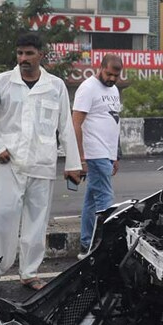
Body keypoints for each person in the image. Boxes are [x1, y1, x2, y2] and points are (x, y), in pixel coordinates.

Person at [0, 34, 83, 291]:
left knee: (36, 222)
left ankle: (29, 272)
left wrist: (72, 164)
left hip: (42, 163)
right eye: (20, 53)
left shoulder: (55, 86)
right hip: (8, 163)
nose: (23, 58)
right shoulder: (1, 82)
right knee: (1, 214)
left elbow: (65, 125)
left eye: (29, 53)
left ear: (40, 55)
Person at [72, 54, 123, 258]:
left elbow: (113, 121)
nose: (112, 78)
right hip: (94, 153)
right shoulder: (88, 88)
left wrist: (114, 155)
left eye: (116, 75)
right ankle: (103, 248)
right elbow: (76, 123)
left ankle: (87, 244)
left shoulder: (114, 90)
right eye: (108, 74)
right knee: (105, 201)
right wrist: (80, 158)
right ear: (100, 68)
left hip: (107, 153)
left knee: (92, 201)